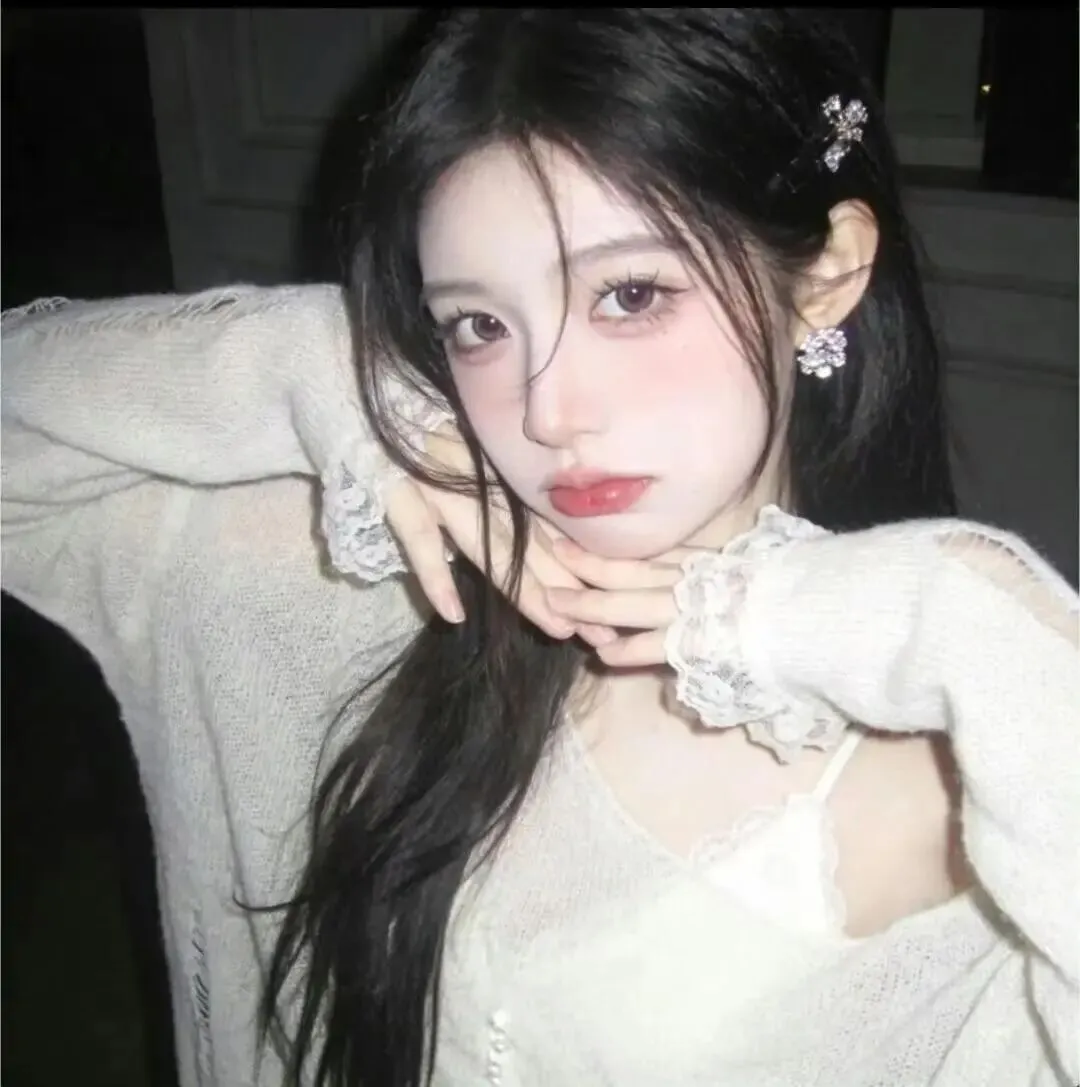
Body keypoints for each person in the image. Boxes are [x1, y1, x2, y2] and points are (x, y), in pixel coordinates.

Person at [2, 8, 1076, 1087]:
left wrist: (968, 618)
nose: (547, 411)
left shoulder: (958, 760)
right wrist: (321, 367)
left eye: (631, 295)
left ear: (827, 274)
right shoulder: (374, 572)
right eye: (477, 325)